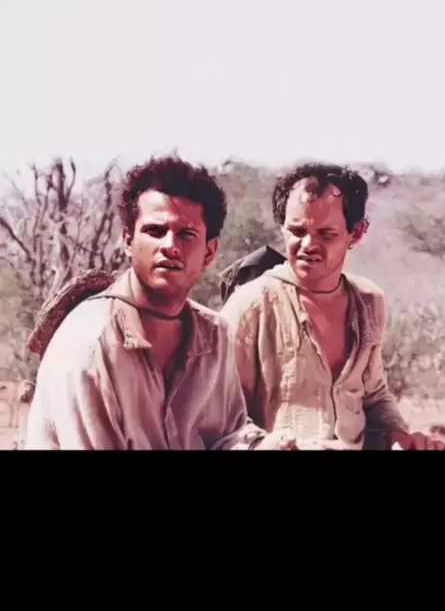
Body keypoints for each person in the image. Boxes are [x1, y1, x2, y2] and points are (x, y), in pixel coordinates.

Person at [24, 156, 297, 450]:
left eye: (186, 234)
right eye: (155, 231)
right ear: (128, 240)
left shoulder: (213, 334)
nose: (169, 246)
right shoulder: (91, 342)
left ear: (209, 252)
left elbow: (226, 435)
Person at [221, 162, 445, 451]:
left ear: (357, 232)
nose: (308, 245)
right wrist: (266, 445)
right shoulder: (249, 306)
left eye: (326, 234)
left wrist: (399, 438)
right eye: (297, 231)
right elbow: (220, 414)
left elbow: (374, 396)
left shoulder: (368, 302)